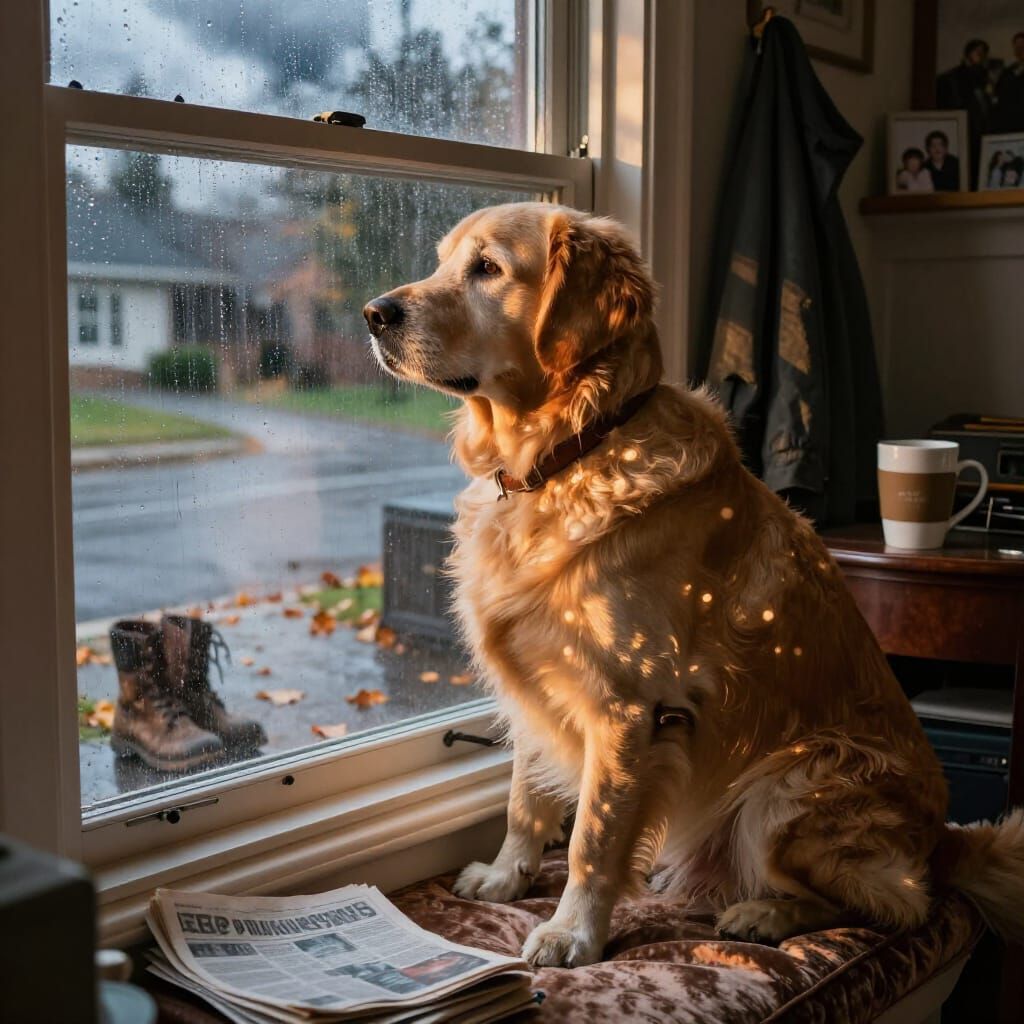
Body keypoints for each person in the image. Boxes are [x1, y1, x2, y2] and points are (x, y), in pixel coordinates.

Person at [995, 32, 1024, 132]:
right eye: (1017, 47)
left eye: (1023, 46)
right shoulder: (1007, 72)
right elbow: (1000, 94)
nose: (1020, 50)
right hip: (1013, 123)